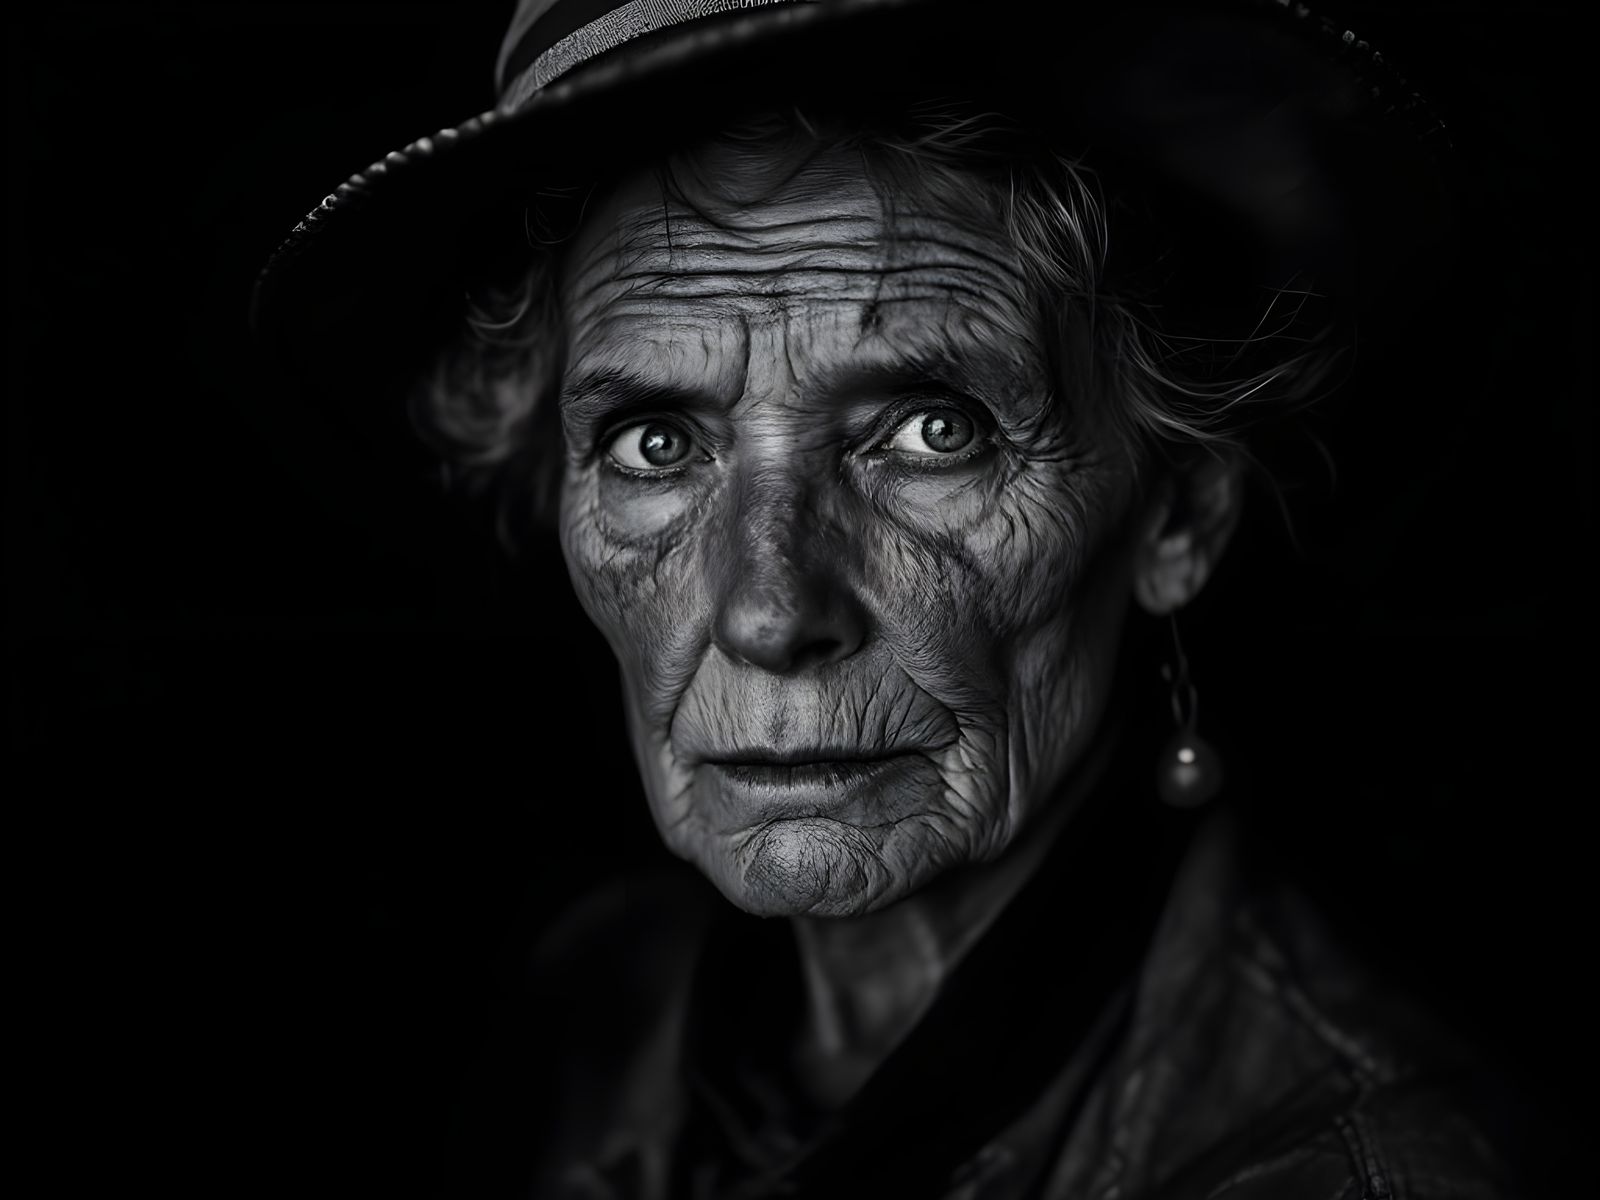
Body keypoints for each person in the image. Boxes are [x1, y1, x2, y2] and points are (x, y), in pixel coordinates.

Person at [253, 1, 1520, 1196]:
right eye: (655, 444)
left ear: (1176, 514)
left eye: (931, 429)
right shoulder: (580, 1017)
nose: (766, 608)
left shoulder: (1362, 1166)